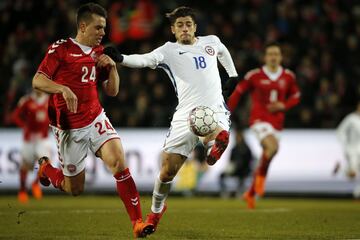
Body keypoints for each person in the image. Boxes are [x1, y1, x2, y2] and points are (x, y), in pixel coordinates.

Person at [110, 6, 238, 235]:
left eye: (189, 24)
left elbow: (223, 52)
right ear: (173, 30)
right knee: (167, 171)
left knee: (211, 125)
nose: (185, 28)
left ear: (195, 27)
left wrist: (233, 75)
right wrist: (121, 58)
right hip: (184, 114)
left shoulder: (211, 41)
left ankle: (214, 144)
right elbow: (145, 60)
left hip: (214, 109)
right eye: (180, 25)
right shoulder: (169, 50)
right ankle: (155, 213)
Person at [32, 3, 153, 238]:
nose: (102, 33)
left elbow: (112, 91)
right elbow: (38, 81)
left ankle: (138, 223)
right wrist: (62, 89)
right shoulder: (61, 49)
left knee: (119, 161)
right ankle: (47, 169)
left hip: (95, 116)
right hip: (69, 126)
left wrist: (114, 69)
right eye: (98, 28)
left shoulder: (101, 53)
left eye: (104, 28)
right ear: (83, 26)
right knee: (74, 188)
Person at [227, 42, 300, 209]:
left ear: (281, 57)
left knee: (270, 152)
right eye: (270, 54)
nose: (273, 57)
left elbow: (296, 95)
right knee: (272, 148)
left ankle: (251, 192)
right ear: (265, 57)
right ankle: (260, 180)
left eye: (276, 54)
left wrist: (284, 105)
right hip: (259, 120)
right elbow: (239, 91)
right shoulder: (255, 75)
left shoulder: (288, 76)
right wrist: (227, 111)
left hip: (277, 124)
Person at [11, 90, 51, 203]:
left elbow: (56, 115)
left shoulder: (49, 100)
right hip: (29, 139)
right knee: (26, 166)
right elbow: (15, 115)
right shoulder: (27, 100)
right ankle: (22, 190)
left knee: (46, 164)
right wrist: (24, 126)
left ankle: (35, 183)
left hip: (43, 139)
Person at [219, 128, 253, 198]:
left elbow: (249, 161)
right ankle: (225, 192)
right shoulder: (234, 149)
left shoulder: (246, 149)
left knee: (242, 176)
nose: (237, 139)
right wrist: (231, 167)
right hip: (235, 169)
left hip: (244, 170)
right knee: (221, 175)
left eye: (239, 137)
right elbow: (231, 160)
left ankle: (240, 192)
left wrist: (240, 165)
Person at [336, 100, 360, 198]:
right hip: (352, 150)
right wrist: (345, 145)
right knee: (353, 174)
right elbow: (340, 131)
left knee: (354, 174)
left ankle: (341, 169)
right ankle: (341, 170)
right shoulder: (351, 118)